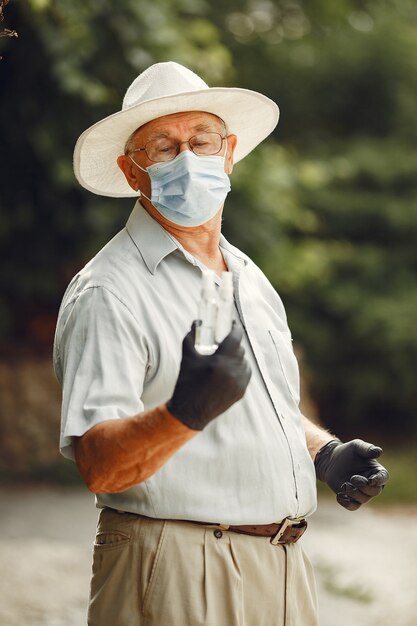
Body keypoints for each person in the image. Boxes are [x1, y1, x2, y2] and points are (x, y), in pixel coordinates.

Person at [53, 62, 389, 626]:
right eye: (163, 148)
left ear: (229, 153)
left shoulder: (246, 275)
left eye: (202, 141)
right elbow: (99, 464)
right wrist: (184, 413)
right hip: (177, 563)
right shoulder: (109, 290)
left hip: (279, 564)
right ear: (132, 172)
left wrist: (324, 454)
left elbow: (253, 401)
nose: (188, 158)